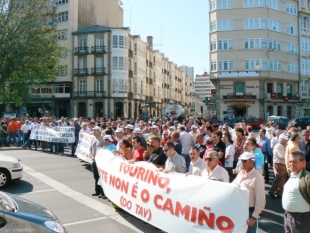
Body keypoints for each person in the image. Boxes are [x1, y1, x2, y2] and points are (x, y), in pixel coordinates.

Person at [232, 152, 266, 233]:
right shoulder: (241, 173)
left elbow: (260, 199)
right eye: (241, 161)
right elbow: (232, 187)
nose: (242, 163)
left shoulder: (257, 177)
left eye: (245, 161)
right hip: (238, 209)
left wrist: (254, 217)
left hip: (249, 212)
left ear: (252, 162)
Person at [282, 151, 310, 233]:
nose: (291, 164)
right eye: (290, 162)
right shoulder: (291, 175)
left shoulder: (307, 178)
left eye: (294, 162)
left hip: (301, 219)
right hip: (288, 216)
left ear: (303, 163)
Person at [269, 134, 289, 199]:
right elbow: (282, 156)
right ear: (281, 140)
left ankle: (279, 193)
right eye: (285, 140)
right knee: (278, 178)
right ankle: (272, 191)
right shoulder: (278, 146)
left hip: (284, 164)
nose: (287, 141)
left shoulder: (285, 146)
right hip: (278, 164)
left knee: (282, 179)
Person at [90, 126, 105, 198]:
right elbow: (90, 149)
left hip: (100, 161)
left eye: (95, 130)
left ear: (99, 131)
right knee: (96, 177)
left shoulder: (102, 140)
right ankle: (97, 191)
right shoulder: (93, 139)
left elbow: (104, 150)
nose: (94, 132)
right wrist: (92, 156)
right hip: (94, 161)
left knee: (100, 177)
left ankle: (102, 192)